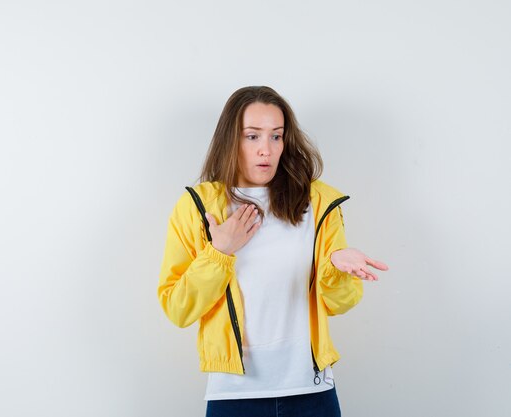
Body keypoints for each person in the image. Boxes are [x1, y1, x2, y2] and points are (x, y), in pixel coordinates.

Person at [157, 86, 388, 417]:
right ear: (230, 140)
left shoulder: (317, 203)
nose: (266, 149)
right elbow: (178, 309)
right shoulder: (198, 207)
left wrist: (335, 266)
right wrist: (219, 251)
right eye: (252, 137)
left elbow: (342, 303)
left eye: (276, 137)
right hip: (233, 396)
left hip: (311, 392)